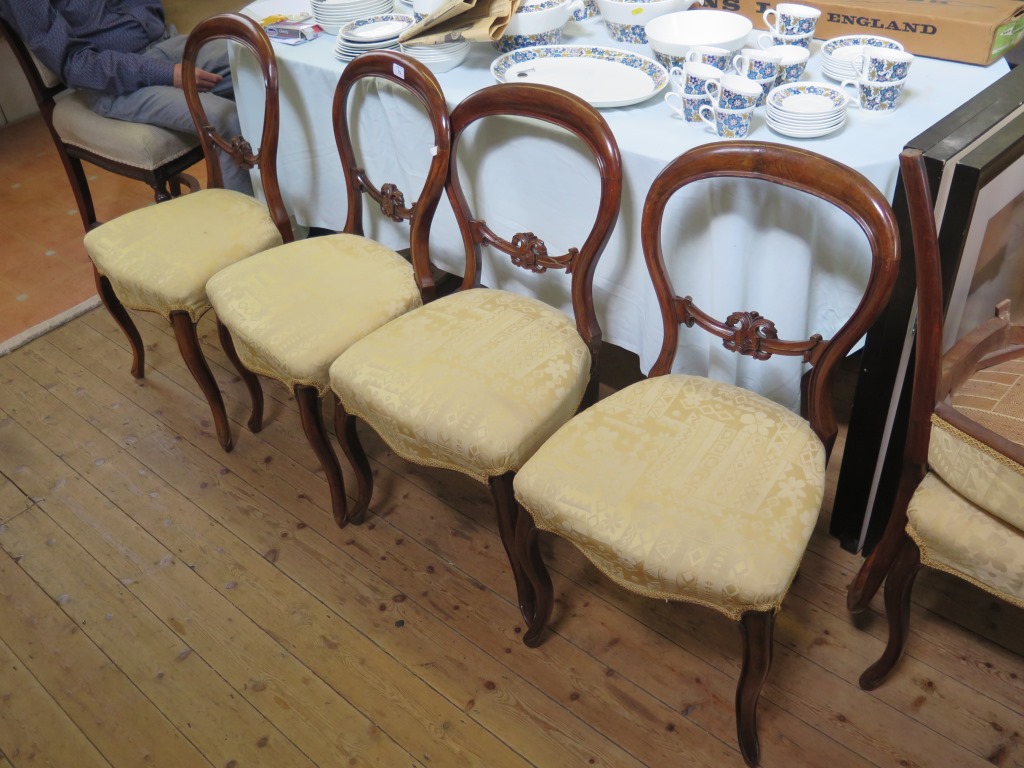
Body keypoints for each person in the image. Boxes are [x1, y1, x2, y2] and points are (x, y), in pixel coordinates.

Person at [0, 0, 253, 194]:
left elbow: (147, 6)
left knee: (263, 63)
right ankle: (252, 243)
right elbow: (76, 66)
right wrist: (163, 73)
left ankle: (284, 204)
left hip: (164, 43)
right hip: (112, 83)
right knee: (222, 118)